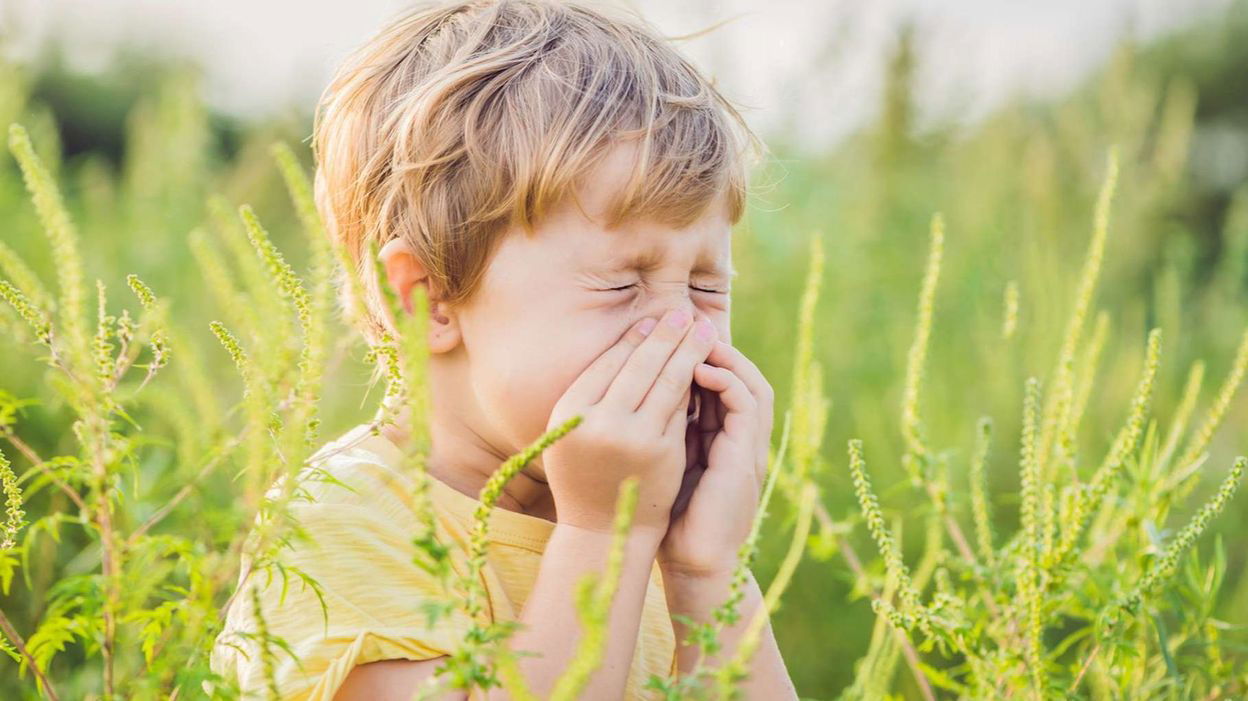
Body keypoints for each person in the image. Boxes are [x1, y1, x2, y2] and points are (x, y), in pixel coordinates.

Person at [210, 1, 797, 698]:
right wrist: (603, 541)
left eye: (705, 286)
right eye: (620, 284)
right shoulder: (338, 529)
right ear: (425, 298)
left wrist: (710, 572)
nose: (681, 333)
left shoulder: (650, 532)